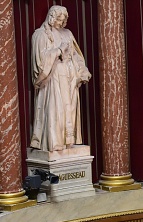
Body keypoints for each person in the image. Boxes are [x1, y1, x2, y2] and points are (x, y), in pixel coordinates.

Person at [30, 5, 92, 152]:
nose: (60, 22)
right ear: (51, 17)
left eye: (63, 19)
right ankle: (55, 142)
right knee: (55, 109)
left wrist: (82, 70)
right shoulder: (40, 35)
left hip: (70, 78)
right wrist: (58, 51)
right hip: (53, 78)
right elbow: (40, 61)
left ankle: (68, 142)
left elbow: (76, 55)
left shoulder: (68, 33)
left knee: (69, 109)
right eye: (58, 19)